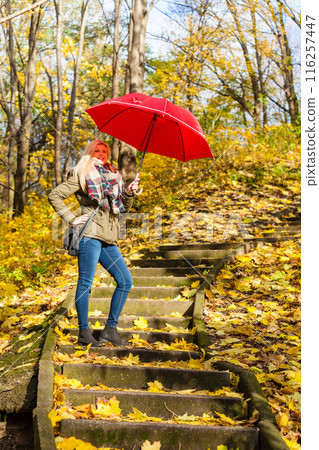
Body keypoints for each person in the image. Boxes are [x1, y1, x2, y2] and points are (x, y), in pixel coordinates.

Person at [48, 140, 139, 347]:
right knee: (86, 282)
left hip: (108, 236)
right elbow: (55, 195)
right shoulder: (82, 173)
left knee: (125, 281)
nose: (101, 154)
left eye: (104, 151)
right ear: (89, 153)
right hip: (89, 234)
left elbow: (123, 207)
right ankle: (84, 332)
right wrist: (71, 218)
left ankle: (110, 330)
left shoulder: (113, 176)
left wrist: (129, 191)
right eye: (97, 150)